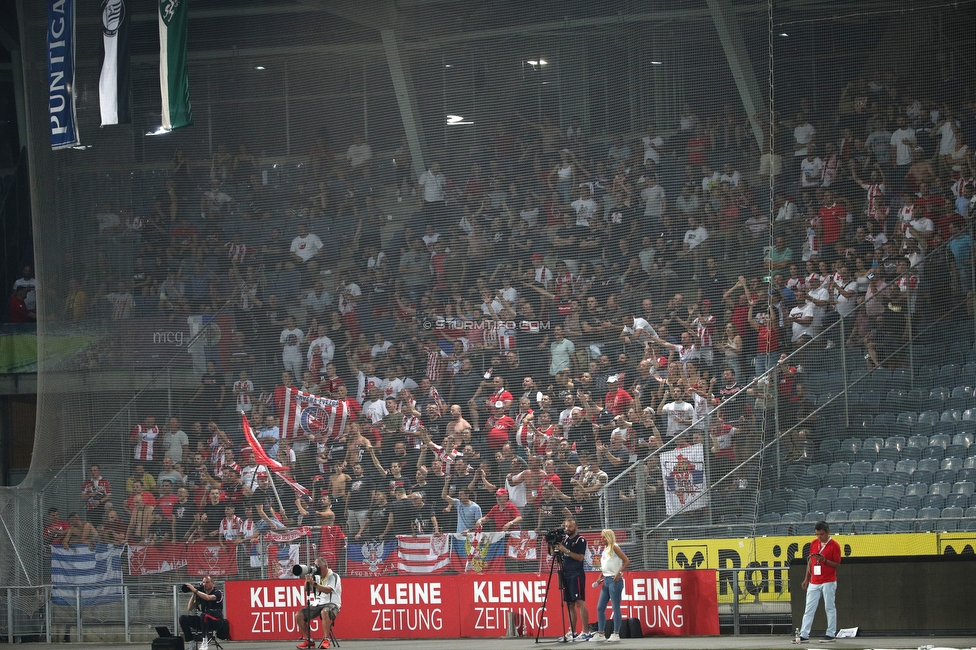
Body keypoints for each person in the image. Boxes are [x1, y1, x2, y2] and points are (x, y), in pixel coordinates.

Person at [794, 521, 841, 644]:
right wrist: (806, 579)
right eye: (817, 534)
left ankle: (830, 634)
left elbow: (837, 564)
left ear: (827, 532)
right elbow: (810, 562)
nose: (819, 537)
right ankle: (804, 634)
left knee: (829, 607)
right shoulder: (814, 543)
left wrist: (824, 560)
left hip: (828, 581)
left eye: (821, 534)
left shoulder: (834, 546)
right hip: (814, 581)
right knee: (809, 608)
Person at [553, 516, 591, 642]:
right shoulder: (565, 539)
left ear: (576, 527)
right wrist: (552, 544)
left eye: (569, 526)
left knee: (579, 602)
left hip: (576, 573)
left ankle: (585, 632)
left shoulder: (580, 540)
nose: (567, 529)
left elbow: (580, 557)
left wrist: (566, 550)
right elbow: (554, 553)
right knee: (569, 604)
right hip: (566, 573)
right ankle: (572, 631)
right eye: (566, 526)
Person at [295, 558, 342, 649]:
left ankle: (326, 640)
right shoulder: (315, 576)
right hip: (317, 603)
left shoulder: (333, 576)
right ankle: (309, 641)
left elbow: (328, 590)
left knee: (324, 612)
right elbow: (307, 590)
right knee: (298, 615)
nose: (317, 568)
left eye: (318, 566)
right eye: (316, 566)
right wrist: (308, 579)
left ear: (325, 566)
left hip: (332, 604)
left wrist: (314, 583)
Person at [592, 529, 630, 642]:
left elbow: (626, 561)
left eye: (603, 537)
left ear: (608, 537)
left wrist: (619, 573)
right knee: (600, 607)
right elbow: (605, 566)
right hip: (606, 580)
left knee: (615, 607)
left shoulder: (615, 547)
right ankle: (601, 633)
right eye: (601, 537)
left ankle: (616, 633)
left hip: (615, 580)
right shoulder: (605, 549)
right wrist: (599, 578)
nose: (601, 539)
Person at [179, 575, 224, 650]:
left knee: (204, 615)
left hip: (216, 620)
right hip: (204, 622)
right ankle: (192, 643)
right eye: (203, 582)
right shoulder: (201, 594)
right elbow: (190, 608)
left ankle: (204, 642)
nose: (205, 584)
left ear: (213, 583)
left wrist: (195, 590)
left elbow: (208, 597)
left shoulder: (218, 592)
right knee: (183, 618)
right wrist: (194, 594)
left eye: (207, 582)